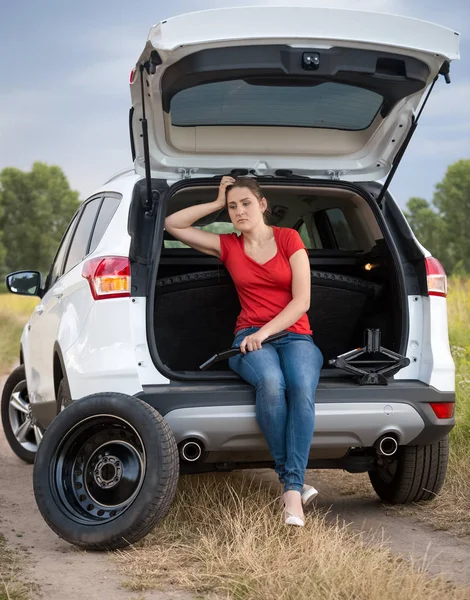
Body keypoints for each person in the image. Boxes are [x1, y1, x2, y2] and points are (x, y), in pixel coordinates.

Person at [165, 176, 323, 526]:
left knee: (300, 389)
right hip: (247, 336)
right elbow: (172, 224)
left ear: (262, 204)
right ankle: (293, 490)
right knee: (270, 383)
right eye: (233, 206)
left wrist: (267, 332)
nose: (239, 211)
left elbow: (303, 301)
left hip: (295, 335)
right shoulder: (228, 245)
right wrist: (215, 203)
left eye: (245, 203)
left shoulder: (288, 239)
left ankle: (289, 486)